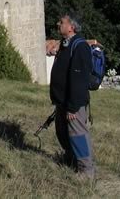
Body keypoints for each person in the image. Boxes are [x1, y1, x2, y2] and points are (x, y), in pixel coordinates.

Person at [49, 14, 95, 178]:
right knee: (62, 133)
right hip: (62, 101)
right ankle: (71, 160)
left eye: (62, 22)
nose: (58, 24)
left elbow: (79, 79)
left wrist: (73, 106)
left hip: (73, 103)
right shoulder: (65, 45)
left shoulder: (80, 47)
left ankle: (86, 171)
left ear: (71, 27)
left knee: (78, 135)